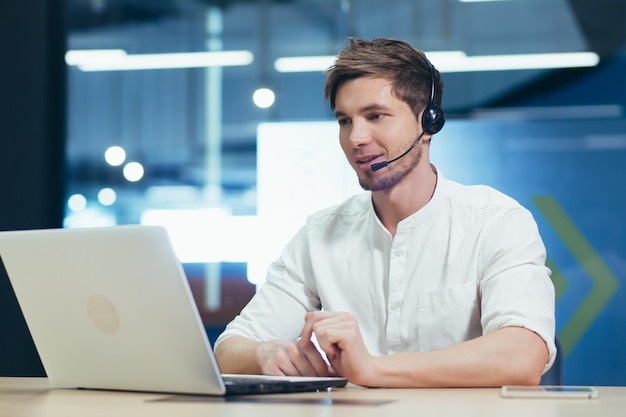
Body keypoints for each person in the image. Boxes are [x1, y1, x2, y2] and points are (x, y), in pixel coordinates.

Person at [214, 37, 556, 388]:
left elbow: (523, 355)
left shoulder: (496, 222)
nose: (356, 138)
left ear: (428, 122)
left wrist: (372, 369)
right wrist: (265, 354)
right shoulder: (319, 235)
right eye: (345, 121)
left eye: (375, 116)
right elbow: (229, 348)